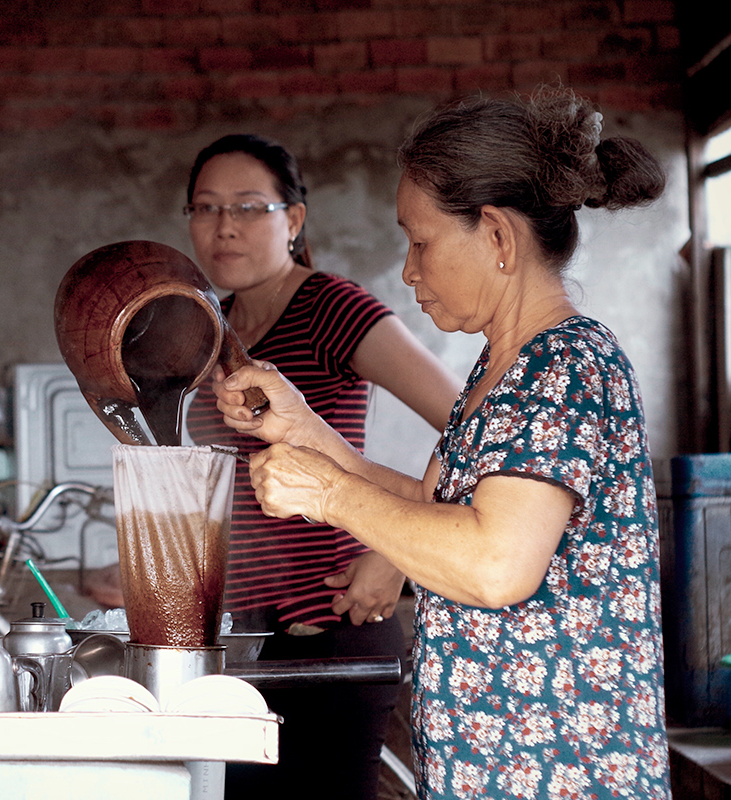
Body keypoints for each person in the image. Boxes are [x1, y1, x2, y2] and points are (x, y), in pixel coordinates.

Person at [213, 89, 671, 799]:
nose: (408, 270)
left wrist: (329, 494)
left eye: (420, 241)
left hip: (564, 774)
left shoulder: (567, 366)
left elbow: (495, 565)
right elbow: (433, 509)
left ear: (496, 237)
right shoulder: (502, 370)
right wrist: (304, 428)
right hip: (490, 772)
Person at [182, 134, 463, 799]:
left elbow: (469, 421)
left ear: (294, 220)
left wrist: (397, 557)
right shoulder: (207, 328)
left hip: (332, 631)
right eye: (205, 207)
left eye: (249, 207)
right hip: (238, 643)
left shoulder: (331, 307)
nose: (224, 227)